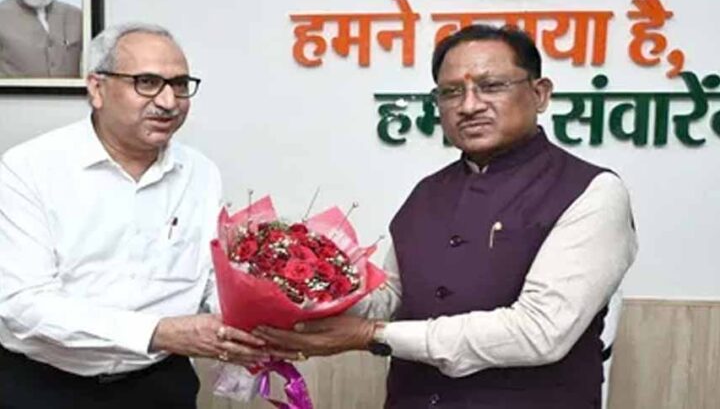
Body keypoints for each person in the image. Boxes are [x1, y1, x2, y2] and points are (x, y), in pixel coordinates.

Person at [254, 24, 639, 408]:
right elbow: (393, 298)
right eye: (451, 92)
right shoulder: (427, 192)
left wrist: (372, 334)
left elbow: (539, 331)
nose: (469, 106)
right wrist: (302, 283)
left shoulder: (592, 191)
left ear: (540, 94)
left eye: (491, 86)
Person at [0, 23, 287, 409]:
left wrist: (250, 318)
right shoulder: (28, 168)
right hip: (43, 386)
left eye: (180, 85)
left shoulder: (201, 173)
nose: (168, 101)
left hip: (159, 385)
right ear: (97, 89)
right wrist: (160, 332)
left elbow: (209, 278)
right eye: (147, 83)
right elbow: (22, 304)